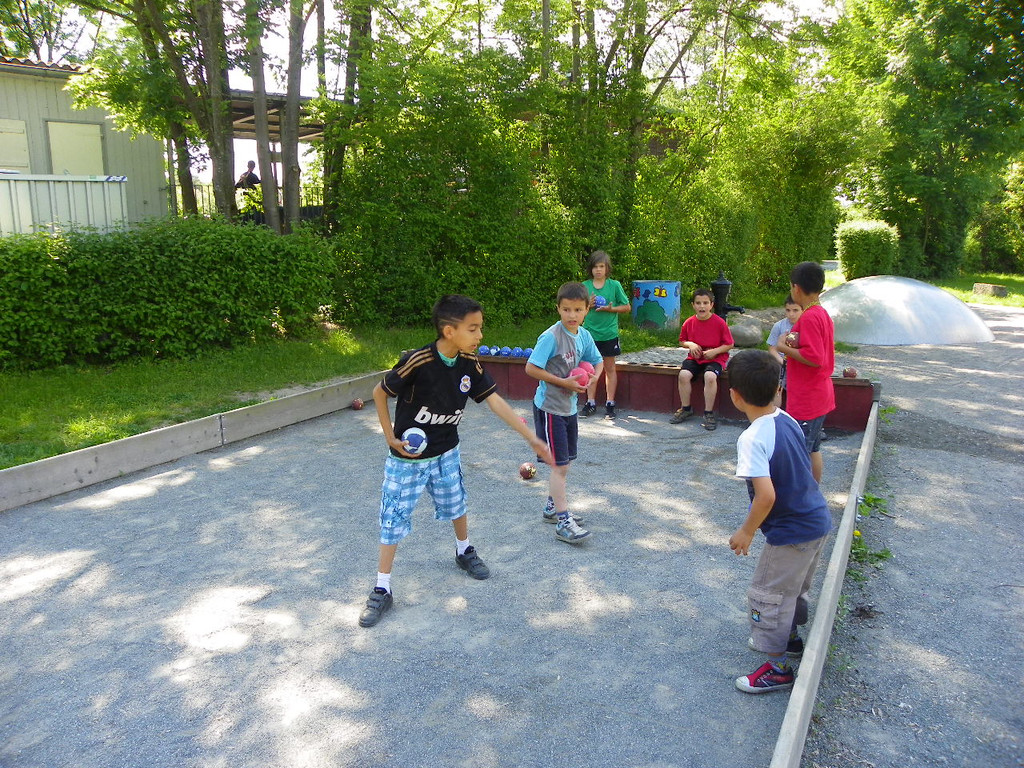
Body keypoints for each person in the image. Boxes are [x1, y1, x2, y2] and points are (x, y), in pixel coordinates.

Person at [358, 295, 553, 628]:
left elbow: (494, 400)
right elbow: (380, 392)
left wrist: (530, 437)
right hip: (408, 459)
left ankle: (464, 551)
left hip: (447, 450)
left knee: (456, 503)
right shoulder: (418, 360)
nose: (480, 335)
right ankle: (382, 587)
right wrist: (390, 436)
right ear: (449, 331)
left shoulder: (468, 363)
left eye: (480, 328)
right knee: (393, 517)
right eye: (473, 329)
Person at [726, 349, 832, 694]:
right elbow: (807, 465)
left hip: (790, 531)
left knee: (768, 594)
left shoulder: (751, 438)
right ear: (779, 390)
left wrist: (747, 531)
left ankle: (778, 668)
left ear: (735, 396)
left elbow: (766, 496)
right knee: (793, 588)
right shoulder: (786, 419)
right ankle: (790, 638)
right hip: (815, 520)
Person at [525, 282, 602, 544]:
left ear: (586, 310)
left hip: (569, 408)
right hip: (550, 409)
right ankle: (562, 521)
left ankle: (551, 507)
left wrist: (593, 378)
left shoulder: (584, 336)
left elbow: (598, 361)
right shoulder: (551, 337)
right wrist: (564, 383)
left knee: (565, 463)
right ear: (558, 308)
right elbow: (531, 368)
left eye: (578, 310)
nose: (572, 315)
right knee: (560, 466)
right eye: (566, 309)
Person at [776, 262, 835, 483]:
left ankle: (804, 497)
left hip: (807, 398)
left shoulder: (809, 317)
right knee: (813, 448)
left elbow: (814, 357)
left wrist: (783, 348)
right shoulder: (821, 313)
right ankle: (813, 492)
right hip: (819, 393)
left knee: (800, 452)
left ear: (796, 288)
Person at [669, 288, 734, 431]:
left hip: (715, 358)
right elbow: (682, 341)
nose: (702, 306)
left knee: (710, 376)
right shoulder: (689, 322)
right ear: (693, 305)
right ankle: (686, 408)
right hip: (695, 358)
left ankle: (708, 413)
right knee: (683, 375)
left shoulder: (719, 322)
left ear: (711, 305)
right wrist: (691, 344)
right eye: (698, 303)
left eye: (705, 303)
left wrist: (715, 351)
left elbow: (729, 344)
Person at [581, 250, 631, 420]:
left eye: (601, 266)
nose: (598, 270)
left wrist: (611, 309)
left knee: (610, 368)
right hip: (590, 334)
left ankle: (610, 403)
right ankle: (590, 402)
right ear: (591, 269)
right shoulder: (584, 286)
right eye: (595, 267)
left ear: (607, 268)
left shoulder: (614, 285)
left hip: (609, 333)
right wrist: (588, 305)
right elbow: (577, 311)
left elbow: (627, 307)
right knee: (590, 368)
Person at [766, 294, 804, 406]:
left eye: (795, 310)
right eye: (788, 310)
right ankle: (776, 412)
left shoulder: (806, 326)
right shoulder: (779, 326)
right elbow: (772, 349)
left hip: (800, 363)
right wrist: (783, 362)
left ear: (803, 310)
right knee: (777, 386)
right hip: (781, 363)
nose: (791, 314)